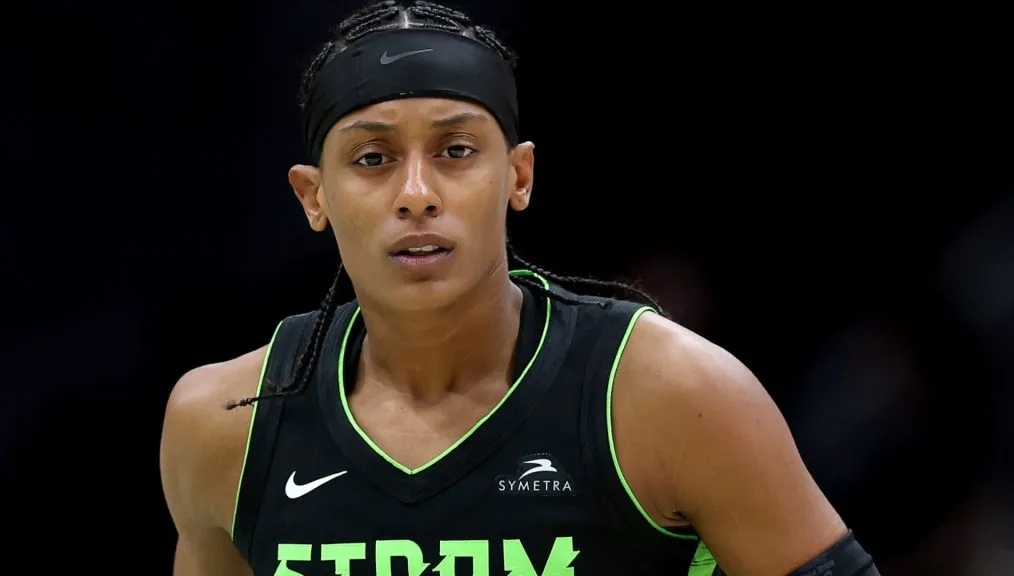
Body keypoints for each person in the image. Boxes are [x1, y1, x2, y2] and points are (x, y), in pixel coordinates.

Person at [159, 1, 880, 574]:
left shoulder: (670, 394)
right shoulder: (226, 423)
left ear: (519, 176)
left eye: (457, 151)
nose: (416, 194)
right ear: (313, 197)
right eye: (373, 158)